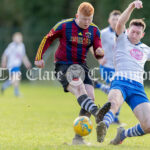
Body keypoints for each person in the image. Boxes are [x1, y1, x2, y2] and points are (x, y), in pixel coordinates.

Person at [34, 2, 111, 145]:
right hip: (63, 65)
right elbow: (47, 38)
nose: (87, 22)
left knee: (91, 97)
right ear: (77, 16)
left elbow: (98, 49)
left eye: (90, 19)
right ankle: (97, 113)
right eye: (84, 19)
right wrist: (39, 57)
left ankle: (78, 139)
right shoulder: (64, 25)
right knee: (79, 88)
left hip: (82, 65)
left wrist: (100, 52)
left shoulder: (94, 30)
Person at [96, 0, 150, 144]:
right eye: (132, 31)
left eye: (138, 33)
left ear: (142, 35)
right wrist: (132, 6)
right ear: (127, 31)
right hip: (120, 81)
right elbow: (120, 22)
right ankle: (104, 126)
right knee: (113, 103)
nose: (134, 34)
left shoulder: (146, 49)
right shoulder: (121, 39)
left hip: (138, 87)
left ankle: (123, 134)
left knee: (149, 125)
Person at [94, 10, 121, 124]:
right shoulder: (103, 33)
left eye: (118, 19)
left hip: (119, 68)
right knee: (115, 90)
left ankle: (98, 85)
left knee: (118, 91)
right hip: (107, 67)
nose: (115, 21)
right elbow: (93, 45)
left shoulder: (124, 33)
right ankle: (114, 117)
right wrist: (99, 59)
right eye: (113, 19)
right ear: (109, 20)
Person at [1, 32, 32, 97]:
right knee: (17, 77)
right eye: (16, 38)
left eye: (19, 38)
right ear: (13, 39)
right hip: (12, 65)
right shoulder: (11, 46)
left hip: (17, 65)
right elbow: (5, 54)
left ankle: (9, 88)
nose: (18, 39)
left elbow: (23, 56)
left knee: (16, 78)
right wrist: (3, 62)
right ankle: (13, 90)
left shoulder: (22, 46)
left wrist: (27, 63)